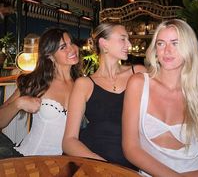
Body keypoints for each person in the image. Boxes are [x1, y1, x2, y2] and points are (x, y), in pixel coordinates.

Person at [122, 19, 198, 177]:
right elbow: (130, 148)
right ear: (155, 50)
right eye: (161, 43)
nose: (167, 50)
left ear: (189, 48)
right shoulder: (138, 84)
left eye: (175, 43)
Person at [62, 22, 146, 169]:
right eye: (123, 39)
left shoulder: (138, 72)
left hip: (130, 160)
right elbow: (69, 141)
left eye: (128, 39)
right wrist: (102, 165)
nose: (129, 44)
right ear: (104, 43)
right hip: (92, 160)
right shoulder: (84, 84)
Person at [0, 27, 80, 158]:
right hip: (30, 159)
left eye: (71, 43)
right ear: (50, 56)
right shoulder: (36, 82)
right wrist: (18, 104)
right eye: (63, 47)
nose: (72, 49)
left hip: (65, 163)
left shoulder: (82, 84)